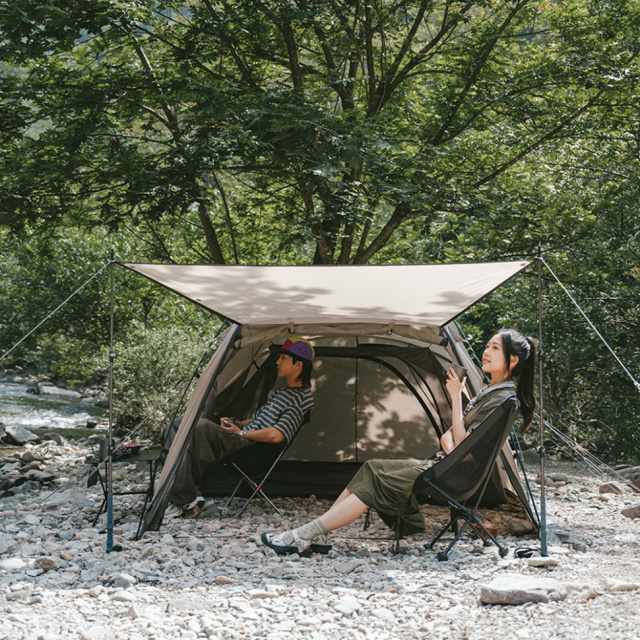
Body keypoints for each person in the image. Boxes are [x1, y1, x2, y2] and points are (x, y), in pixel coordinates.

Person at [261, 328, 535, 555]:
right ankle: (317, 532)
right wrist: (452, 442)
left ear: (512, 360)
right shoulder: (491, 392)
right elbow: (450, 436)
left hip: (453, 474)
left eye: (495, 348)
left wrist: (455, 399)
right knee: (371, 466)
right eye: (487, 346)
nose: (486, 352)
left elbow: (463, 446)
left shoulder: (502, 399)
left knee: (376, 480)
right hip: (446, 464)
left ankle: (302, 535)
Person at [165, 336, 315, 518]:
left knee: (200, 427)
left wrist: (242, 433)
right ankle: (184, 492)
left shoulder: (301, 398)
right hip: (243, 438)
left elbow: (277, 435)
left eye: (283, 358)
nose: (277, 361)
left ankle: (182, 501)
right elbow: (258, 419)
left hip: (252, 449)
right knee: (177, 425)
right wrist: (235, 423)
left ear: (298, 364)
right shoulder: (282, 392)